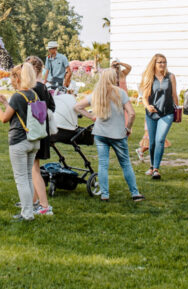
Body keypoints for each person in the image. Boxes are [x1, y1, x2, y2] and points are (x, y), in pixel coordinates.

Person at [75, 68, 143, 202]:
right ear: (114, 78)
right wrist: (128, 128)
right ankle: (135, 193)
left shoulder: (97, 93)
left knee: (103, 164)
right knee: (125, 164)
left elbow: (77, 107)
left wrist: (92, 117)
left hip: (100, 133)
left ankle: (104, 194)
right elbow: (132, 113)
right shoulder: (120, 93)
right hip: (118, 134)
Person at [0, 63, 45, 222]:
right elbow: (19, 112)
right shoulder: (33, 94)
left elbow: (4, 118)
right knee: (27, 177)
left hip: (19, 142)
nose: (11, 81)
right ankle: (29, 212)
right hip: (33, 140)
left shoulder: (18, 96)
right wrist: (6, 103)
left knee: (21, 179)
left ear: (18, 78)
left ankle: (27, 214)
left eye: (13, 78)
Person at [25, 55, 55, 216]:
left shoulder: (32, 88)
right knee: (32, 167)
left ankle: (44, 205)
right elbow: (52, 107)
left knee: (34, 168)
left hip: (35, 132)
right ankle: (34, 201)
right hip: (43, 131)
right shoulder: (42, 87)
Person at [139, 54, 177, 180]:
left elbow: (174, 95)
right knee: (153, 142)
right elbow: (144, 97)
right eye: (160, 62)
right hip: (152, 113)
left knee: (160, 139)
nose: (162, 64)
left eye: (164, 62)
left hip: (167, 113)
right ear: (154, 64)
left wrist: (178, 109)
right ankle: (151, 165)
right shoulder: (149, 77)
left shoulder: (170, 77)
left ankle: (156, 169)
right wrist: (148, 106)